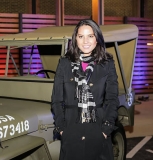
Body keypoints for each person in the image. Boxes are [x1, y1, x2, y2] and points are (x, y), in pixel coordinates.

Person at [51, 19, 119, 160]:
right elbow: (56, 100)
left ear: (97, 39)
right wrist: (62, 128)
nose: (85, 41)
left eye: (90, 36)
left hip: (98, 132)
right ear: (75, 39)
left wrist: (106, 129)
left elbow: (112, 99)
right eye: (81, 36)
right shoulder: (64, 63)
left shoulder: (107, 64)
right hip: (71, 133)